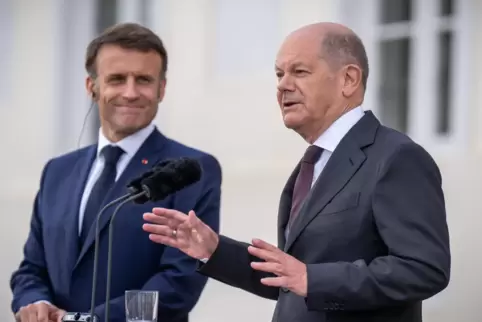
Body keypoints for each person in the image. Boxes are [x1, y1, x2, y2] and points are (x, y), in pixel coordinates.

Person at [142, 22, 450, 322]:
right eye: (279, 74)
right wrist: (215, 250)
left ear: (349, 80)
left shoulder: (396, 157)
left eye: (299, 72)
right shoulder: (315, 162)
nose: (282, 85)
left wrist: (313, 279)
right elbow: (290, 278)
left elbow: (423, 268)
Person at [10, 22, 222, 322]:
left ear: (161, 89)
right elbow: (32, 269)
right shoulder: (57, 171)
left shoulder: (191, 170)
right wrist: (34, 301)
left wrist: (89, 320)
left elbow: (179, 281)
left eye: (144, 80)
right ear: (92, 87)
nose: (131, 92)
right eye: (118, 79)